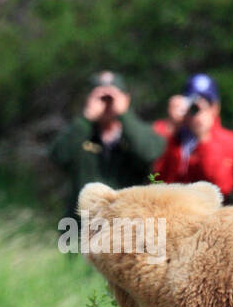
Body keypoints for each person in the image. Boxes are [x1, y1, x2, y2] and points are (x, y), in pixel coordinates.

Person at [49, 71, 165, 215]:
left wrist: (124, 115)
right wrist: (86, 118)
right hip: (83, 226)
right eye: (101, 98)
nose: (107, 104)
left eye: (112, 98)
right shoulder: (80, 133)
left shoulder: (138, 133)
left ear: (126, 100)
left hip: (127, 225)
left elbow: (149, 154)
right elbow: (58, 156)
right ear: (89, 100)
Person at [152, 73, 233, 198]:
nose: (198, 109)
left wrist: (204, 138)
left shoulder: (229, 140)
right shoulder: (167, 130)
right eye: (193, 103)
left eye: (207, 103)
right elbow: (153, 170)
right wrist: (171, 127)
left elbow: (224, 186)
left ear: (216, 108)